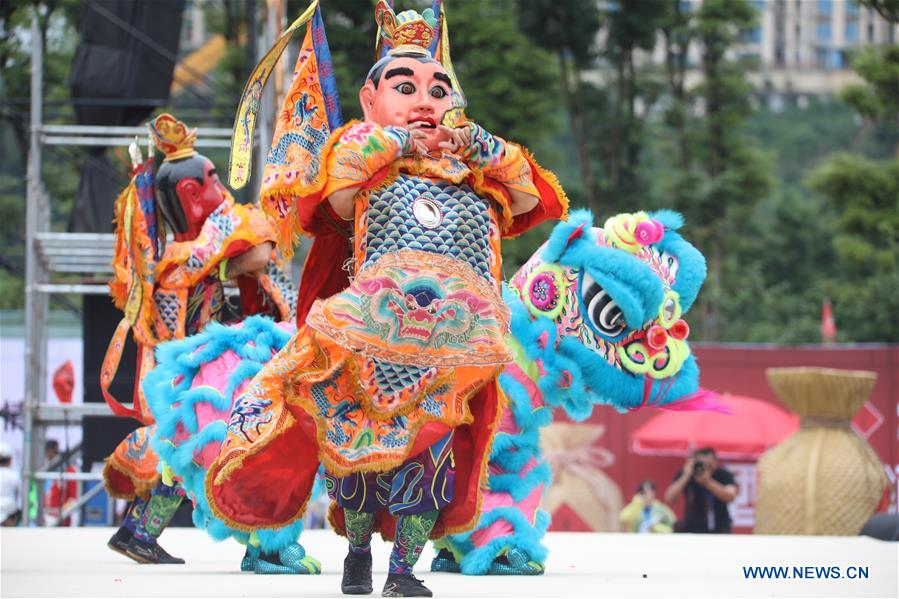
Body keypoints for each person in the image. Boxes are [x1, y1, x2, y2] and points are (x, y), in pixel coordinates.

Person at [205, 2, 567, 596]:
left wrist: (471, 141)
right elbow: (340, 194)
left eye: (438, 88)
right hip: (368, 338)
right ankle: (357, 555)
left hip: (450, 345)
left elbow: (528, 197)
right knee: (361, 454)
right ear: (370, 100)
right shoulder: (359, 150)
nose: (426, 100)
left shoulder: (469, 166)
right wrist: (398, 139)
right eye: (405, 87)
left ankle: (403, 570)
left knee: (433, 455)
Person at [101, 114, 295, 566]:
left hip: (198, 374)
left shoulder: (190, 257)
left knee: (194, 457)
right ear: (190, 194)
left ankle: (139, 532)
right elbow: (254, 248)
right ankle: (259, 546)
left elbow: (252, 253)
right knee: (202, 454)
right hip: (186, 376)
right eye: (210, 181)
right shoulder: (181, 260)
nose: (219, 189)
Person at [664, 447, 738, 533]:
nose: (704, 468)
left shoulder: (723, 475)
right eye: (701, 464)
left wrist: (708, 482)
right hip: (692, 528)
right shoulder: (687, 475)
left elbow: (730, 496)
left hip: (719, 529)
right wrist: (686, 475)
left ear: (715, 462)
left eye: (708, 464)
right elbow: (669, 498)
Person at [42, 440, 78, 527]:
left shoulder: (69, 470)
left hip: (61, 521)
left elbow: (72, 499)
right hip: (43, 519)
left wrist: (61, 516)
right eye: (48, 452)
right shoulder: (44, 470)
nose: (50, 455)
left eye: (54, 453)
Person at [0, 442, 21, 526]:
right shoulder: (15, 475)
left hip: (9, 513)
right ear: (10, 460)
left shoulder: (14, 475)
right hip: (10, 514)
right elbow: (23, 495)